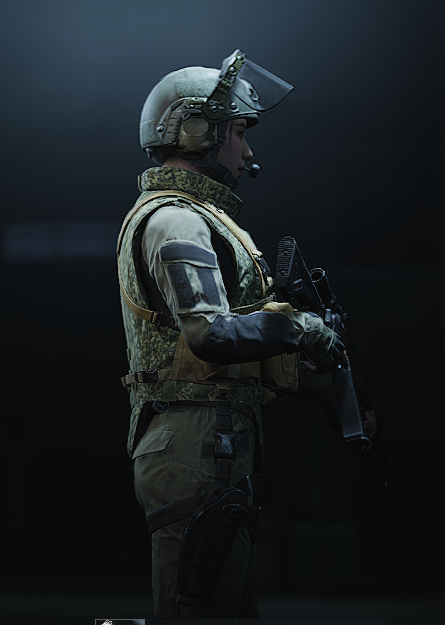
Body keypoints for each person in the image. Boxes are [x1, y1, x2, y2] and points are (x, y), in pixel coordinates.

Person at [117, 49, 356, 619]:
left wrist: (316, 379)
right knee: (201, 611)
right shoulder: (177, 218)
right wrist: (300, 326)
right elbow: (210, 335)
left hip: (211, 443)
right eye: (240, 132)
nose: (248, 151)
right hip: (196, 444)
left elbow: (213, 350)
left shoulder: (196, 217)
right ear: (198, 131)